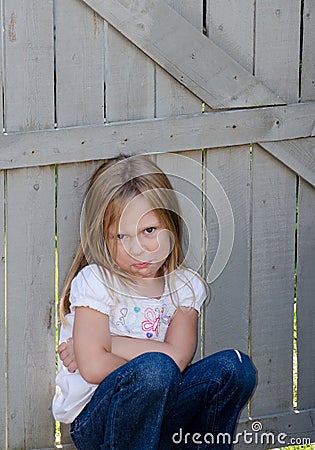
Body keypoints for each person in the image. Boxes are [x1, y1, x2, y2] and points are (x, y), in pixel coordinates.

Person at [52, 155, 257, 450]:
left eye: (148, 231)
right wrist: (124, 358)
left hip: (163, 411)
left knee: (234, 369)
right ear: (103, 238)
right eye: (121, 236)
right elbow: (94, 367)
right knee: (154, 371)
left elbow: (177, 360)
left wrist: (108, 342)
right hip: (100, 420)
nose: (137, 249)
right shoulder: (96, 281)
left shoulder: (183, 287)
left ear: (170, 225)